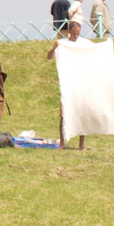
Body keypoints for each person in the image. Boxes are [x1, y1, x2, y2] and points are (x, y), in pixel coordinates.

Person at [46, 20, 87, 150]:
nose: (76, 36)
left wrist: (108, 45)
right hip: (67, 83)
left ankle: (81, 145)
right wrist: (54, 48)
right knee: (64, 114)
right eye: (74, 33)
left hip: (81, 83)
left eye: (78, 34)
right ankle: (62, 143)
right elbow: (49, 57)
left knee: (82, 113)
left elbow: (95, 51)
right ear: (69, 32)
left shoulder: (84, 43)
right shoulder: (63, 44)